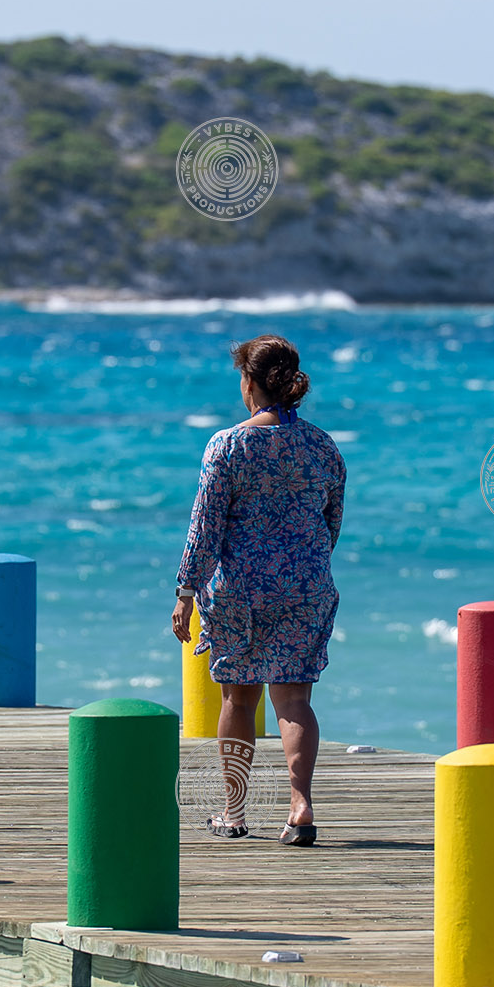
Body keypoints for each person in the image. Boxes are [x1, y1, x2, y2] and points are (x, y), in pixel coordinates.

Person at [171, 334, 345, 846]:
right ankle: (301, 806)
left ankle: (234, 811)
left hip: (240, 592)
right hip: (307, 585)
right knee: (294, 698)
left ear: (249, 383)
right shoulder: (323, 445)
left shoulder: (227, 445)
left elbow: (205, 527)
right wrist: (304, 565)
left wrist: (186, 590)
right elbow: (331, 521)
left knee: (239, 698)